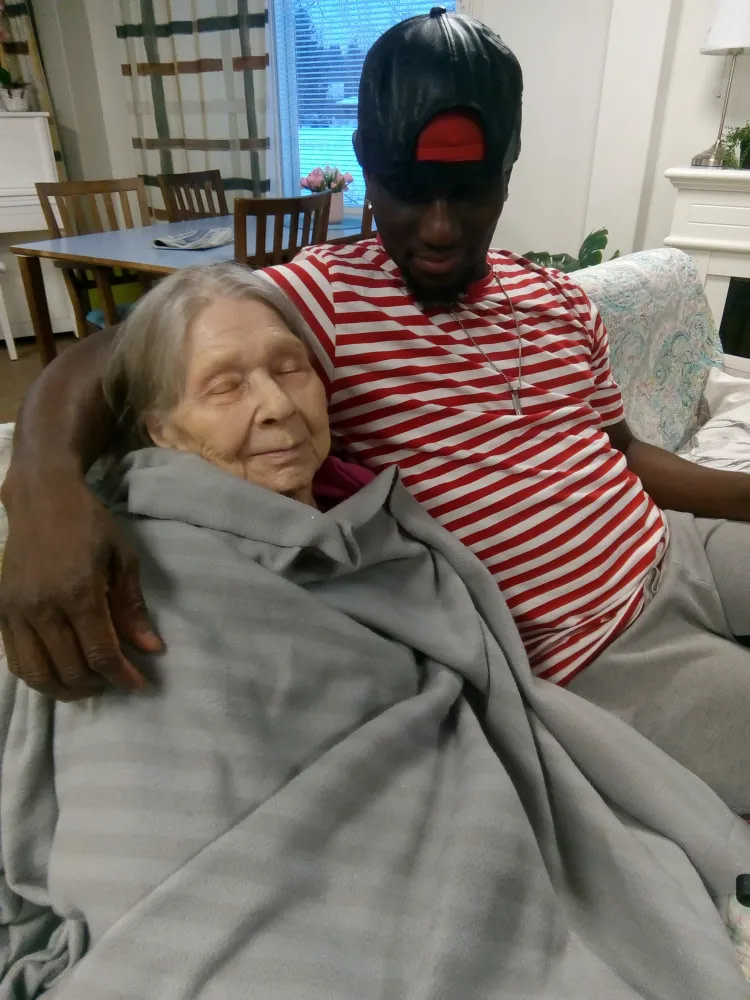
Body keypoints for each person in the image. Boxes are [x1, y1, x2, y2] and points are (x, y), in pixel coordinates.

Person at [2, 8, 750, 808]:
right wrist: (41, 487)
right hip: (598, 651)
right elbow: (115, 356)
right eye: (408, 193)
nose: (439, 228)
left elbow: (621, 452)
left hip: (680, 546)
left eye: (469, 194)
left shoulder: (558, 297)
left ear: (508, 173)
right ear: (364, 165)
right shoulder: (319, 299)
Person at [2, 261, 749, 999]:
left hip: (667, 546)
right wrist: (37, 477)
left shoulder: (379, 526)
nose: (276, 406)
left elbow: (476, 660)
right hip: (326, 846)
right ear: (159, 428)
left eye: (289, 369)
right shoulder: (127, 561)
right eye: (225, 387)